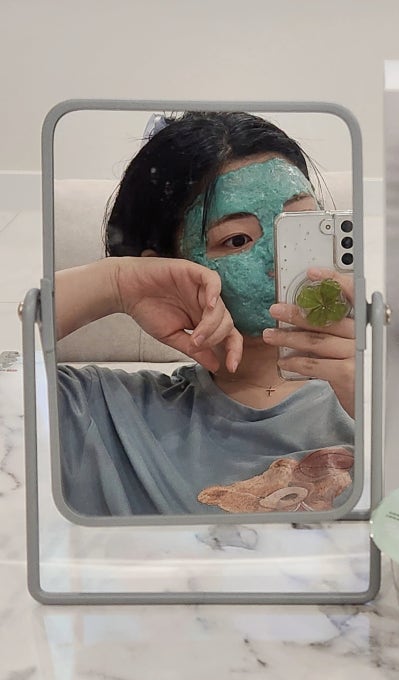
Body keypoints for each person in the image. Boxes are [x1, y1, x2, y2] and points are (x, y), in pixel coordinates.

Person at [55, 111, 356, 517]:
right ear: (166, 270)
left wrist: (388, 411)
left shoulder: (391, 392)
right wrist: (116, 283)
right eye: (237, 239)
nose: (279, 262)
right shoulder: (110, 416)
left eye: (300, 227)